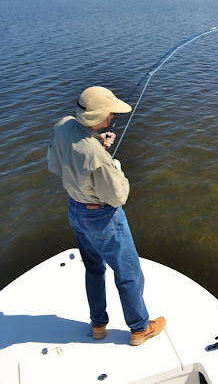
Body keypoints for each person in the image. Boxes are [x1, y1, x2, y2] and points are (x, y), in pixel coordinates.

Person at [47, 86, 165, 346]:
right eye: (110, 113)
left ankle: (98, 324)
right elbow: (118, 196)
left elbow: (57, 166)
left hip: (76, 210)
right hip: (102, 218)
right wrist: (113, 165)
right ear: (100, 117)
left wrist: (96, 142)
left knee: (94, 268)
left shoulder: (64, 125)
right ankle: (140, 328)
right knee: (128, 272)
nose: (112, 117)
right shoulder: (96, 155)